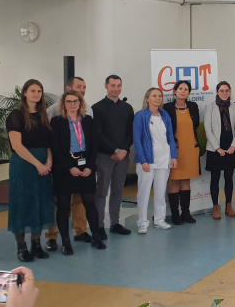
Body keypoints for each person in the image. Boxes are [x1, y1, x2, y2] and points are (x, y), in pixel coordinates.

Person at [50, 91, 107, 254]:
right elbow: (55, 149)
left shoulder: (88, 120)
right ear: (63, 104)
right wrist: (70, 167)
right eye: (69, 101)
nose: (72, 104)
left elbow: (94, 146)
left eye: (75, 101)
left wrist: (90, 166)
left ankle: (96, 237)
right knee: (63, 206)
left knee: (89, 203)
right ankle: (66, 242)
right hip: (64, 167)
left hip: (85, 165)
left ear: (80, 103)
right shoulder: (56, 122)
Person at [7, 80, 54, 262]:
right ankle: (22, 248)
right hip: (24, 165)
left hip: (43, 164)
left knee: (40, 202)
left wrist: (48, 162)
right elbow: (17, 146)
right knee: (22, 204)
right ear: (25, 93)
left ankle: (36, 244)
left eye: (39, 91)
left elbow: (48, 143)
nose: (36, 94)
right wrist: (38, 164)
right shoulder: (16, 115)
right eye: (32, 90)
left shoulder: (43, 116)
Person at [44, 77, 93, 250]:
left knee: (80, 199)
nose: (83, 89)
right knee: (60, 202)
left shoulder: (88, 111)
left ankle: (80, 231)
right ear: (68, 88)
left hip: (82, 161)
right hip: (62, 163)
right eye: (79, 86)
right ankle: (52, 236)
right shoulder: (53, 111)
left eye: (85, 87)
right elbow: (50, 139)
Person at [92, 74, 135, 238]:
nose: (116, 89)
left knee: (118, 191)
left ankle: (115, 223)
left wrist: (123, 150)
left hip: (123, 156)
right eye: (112, 85)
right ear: (106, 87)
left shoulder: (127, 108)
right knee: (102, 191)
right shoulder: (97, 108)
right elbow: (98, 134)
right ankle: (99, 226)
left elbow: (131, 132)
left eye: (118, 86)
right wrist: (114, 150)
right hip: (105, 156)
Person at [133, 88, 178, 234]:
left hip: (164, 159)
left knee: (160, 192)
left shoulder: (165, 115)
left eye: (160, 96)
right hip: (147, 160)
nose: (157, 98)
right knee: (144, 192)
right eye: (154, 96)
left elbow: (170, 137)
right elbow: (137, 140)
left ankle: (159, 220)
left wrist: (173, 156)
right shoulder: (140, 115)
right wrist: (143, 160)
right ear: (147, 98)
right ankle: (142, 222)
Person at [163, 80, 200, 226]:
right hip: (175, 149)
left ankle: (186, 213)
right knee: (174, 179)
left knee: (186, 179)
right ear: (175, 91)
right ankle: (175, 214)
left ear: (189, 93)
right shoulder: (167, 108)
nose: (183, 91)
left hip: (190, 147)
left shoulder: (193, 106)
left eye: (186, 89)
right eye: (180, 88)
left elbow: (196, 124)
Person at [204, 81, 235, 220]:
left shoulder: (234, 106)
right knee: (215, 178)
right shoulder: (210, 107)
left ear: (230, 92)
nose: (224, 93)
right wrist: (217, 148)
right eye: (221, 91)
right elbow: (208, 129)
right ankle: (215, 207)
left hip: (230, 147)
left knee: (229, 178)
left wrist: (233, 145)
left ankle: (229, 206)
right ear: (217, 92)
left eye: (227, 90)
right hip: (215, 149)